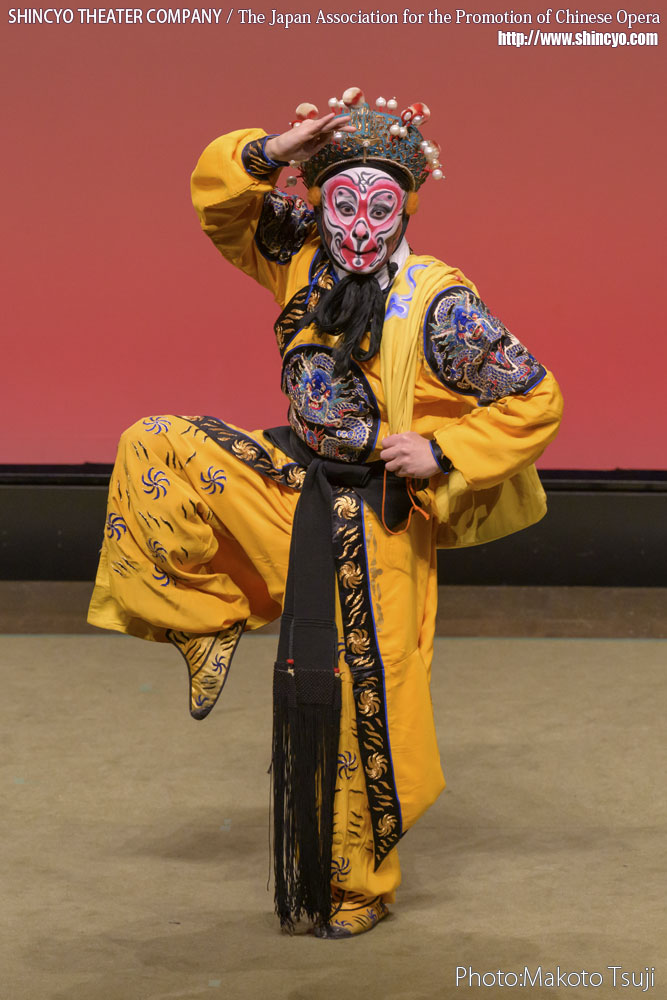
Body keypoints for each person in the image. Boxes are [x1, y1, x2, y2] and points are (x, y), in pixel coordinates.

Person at [88, 90, 563, 939]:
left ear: (403, 208)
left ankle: (356, 888)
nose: (357, 225)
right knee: (156, 445)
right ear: (322, 202)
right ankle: (208, 619)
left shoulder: (438, 304)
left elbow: (532, 396)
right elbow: (222, 208)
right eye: (342, 202)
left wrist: (442, 453)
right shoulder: (299, 254)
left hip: (378, 519)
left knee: (361, 705)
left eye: (378, 208)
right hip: (292, 483)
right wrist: (279, 147)